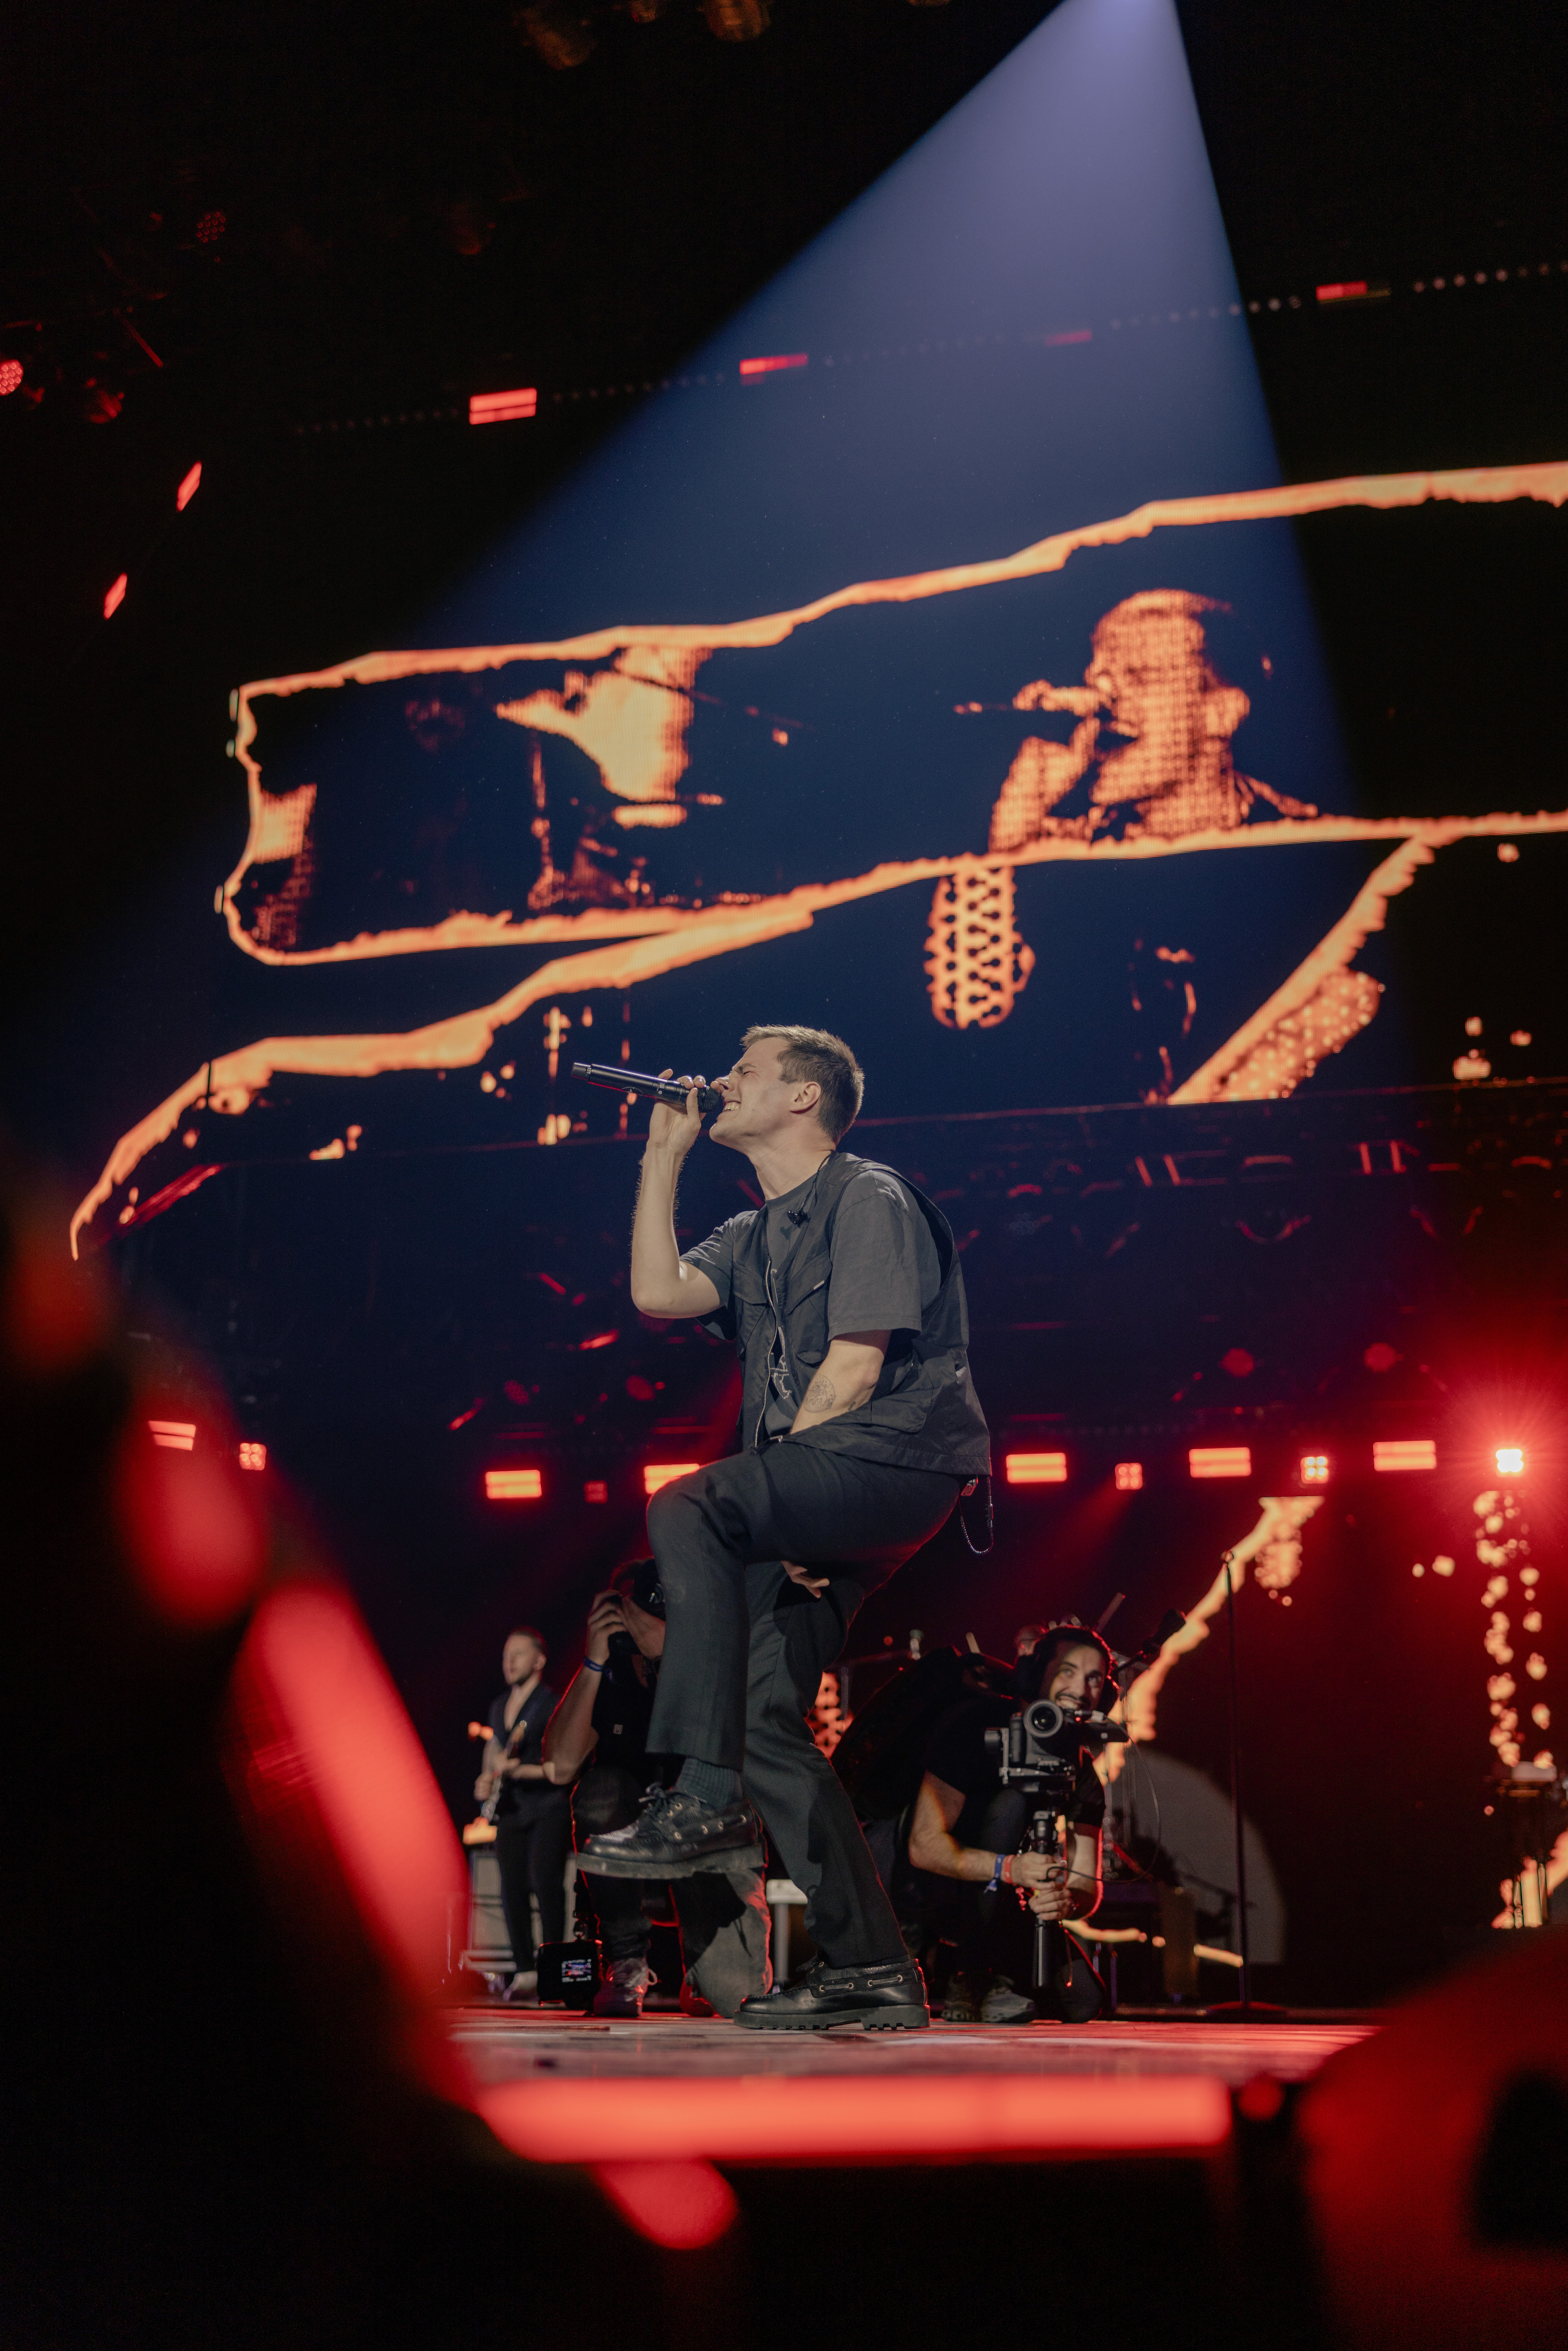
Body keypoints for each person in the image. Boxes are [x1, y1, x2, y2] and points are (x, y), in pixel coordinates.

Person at [580, 1023, 991, 2033]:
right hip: (813, 1487)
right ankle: (871, 1968)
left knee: (688, 1502)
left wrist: (789, 1506)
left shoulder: (869, 1195)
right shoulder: (754, 1229)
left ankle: (704, 1795)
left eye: (744, 1071)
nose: (719, 1080)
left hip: (890, 1460)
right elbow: (655, 1292)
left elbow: (852, 1368)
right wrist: (661, 1155)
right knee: (767, 1713)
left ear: (803, 1098)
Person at [542, 1560, 771, 2018]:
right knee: (600, 1788)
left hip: (705, 1861)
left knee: (732, 2000)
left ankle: (701, 1971)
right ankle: (625, 1960)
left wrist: (669, 1654)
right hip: (631, 1868)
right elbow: (559, 1766)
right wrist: (592, 1661)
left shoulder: (720, 1666)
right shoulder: (612, 1675)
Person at [906, 1627, 1110, 2023]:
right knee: (1010, 1806)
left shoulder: (1080, 1768)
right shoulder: (977, 1726)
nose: (1080, 1689)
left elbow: (1087, 1883)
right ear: (1036, 1674)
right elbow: (922, 1845)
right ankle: (965, 1970)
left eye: (1094, 1678)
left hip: (1007, 1905)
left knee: (1083, 2001)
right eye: (1067, 1671)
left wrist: (1066, 1901)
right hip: (940, 1896)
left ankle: (999, 1975)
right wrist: (1011, 1869)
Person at [475, 1627, 571, 1998]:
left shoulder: (553, 1703)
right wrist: (485, 1781)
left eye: (518, 1653)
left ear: (539, 1660)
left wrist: (519, 1771)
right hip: (512, 1809)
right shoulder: (499, 1706)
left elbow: (563, 1765)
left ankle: (552, 1969)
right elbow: (494, 1754)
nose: (509, 1661)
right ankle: (525, 1971)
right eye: (505, 1655)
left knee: (546, 1884)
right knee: (510, 1888)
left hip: (547, 1804)